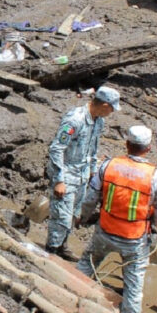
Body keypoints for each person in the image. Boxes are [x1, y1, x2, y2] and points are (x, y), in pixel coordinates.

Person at [77, 125, 157, 313]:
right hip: (134, 240)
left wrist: (82, 217)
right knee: (134, 282)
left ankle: (73, 292)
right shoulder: (154, 177)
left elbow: (91, 197)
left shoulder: (108, 166)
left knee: (88, 263)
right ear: (148, 148)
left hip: (105, 231)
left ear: (126, 144)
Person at [44, 85, 119, 259]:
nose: (112, 112)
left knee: (73, 214)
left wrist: (93, 170)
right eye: (112, 108)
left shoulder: (99, 121)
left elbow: (94, 147)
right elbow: (56, 149)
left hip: (82, 175)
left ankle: (62, 246)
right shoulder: (75, 120)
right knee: (61, 217)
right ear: (105, 105)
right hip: (67, 173)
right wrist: (59, 180)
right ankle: (51, 251)